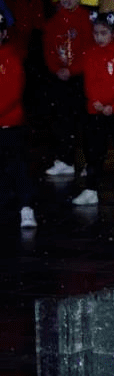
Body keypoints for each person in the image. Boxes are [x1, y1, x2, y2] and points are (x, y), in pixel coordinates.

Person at [73, 11, 114, 208]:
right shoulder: (91, 53)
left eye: (104, 33)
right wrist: (96, 102)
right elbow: (89, 81)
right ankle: (92, 189)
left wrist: (111, 105)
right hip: (97, 110)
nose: (99, 37)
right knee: (94, 150)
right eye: (96, 33)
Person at [42, 0, 93, 177]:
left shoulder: (86, 19)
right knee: (62, 121)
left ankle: (88, 163)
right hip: (60, 78)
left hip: (80, 78)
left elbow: (89, 51)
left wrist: (72, 70)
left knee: (84, 122)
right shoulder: (54, 21)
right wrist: (57, 69)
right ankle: (65, 159)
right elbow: (48, 50)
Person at [0, 14, 35, 228]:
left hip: (9, 124)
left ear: (3, 34)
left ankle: (26, 207)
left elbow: (12, 93)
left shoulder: (11, 58)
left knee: (17, 166)